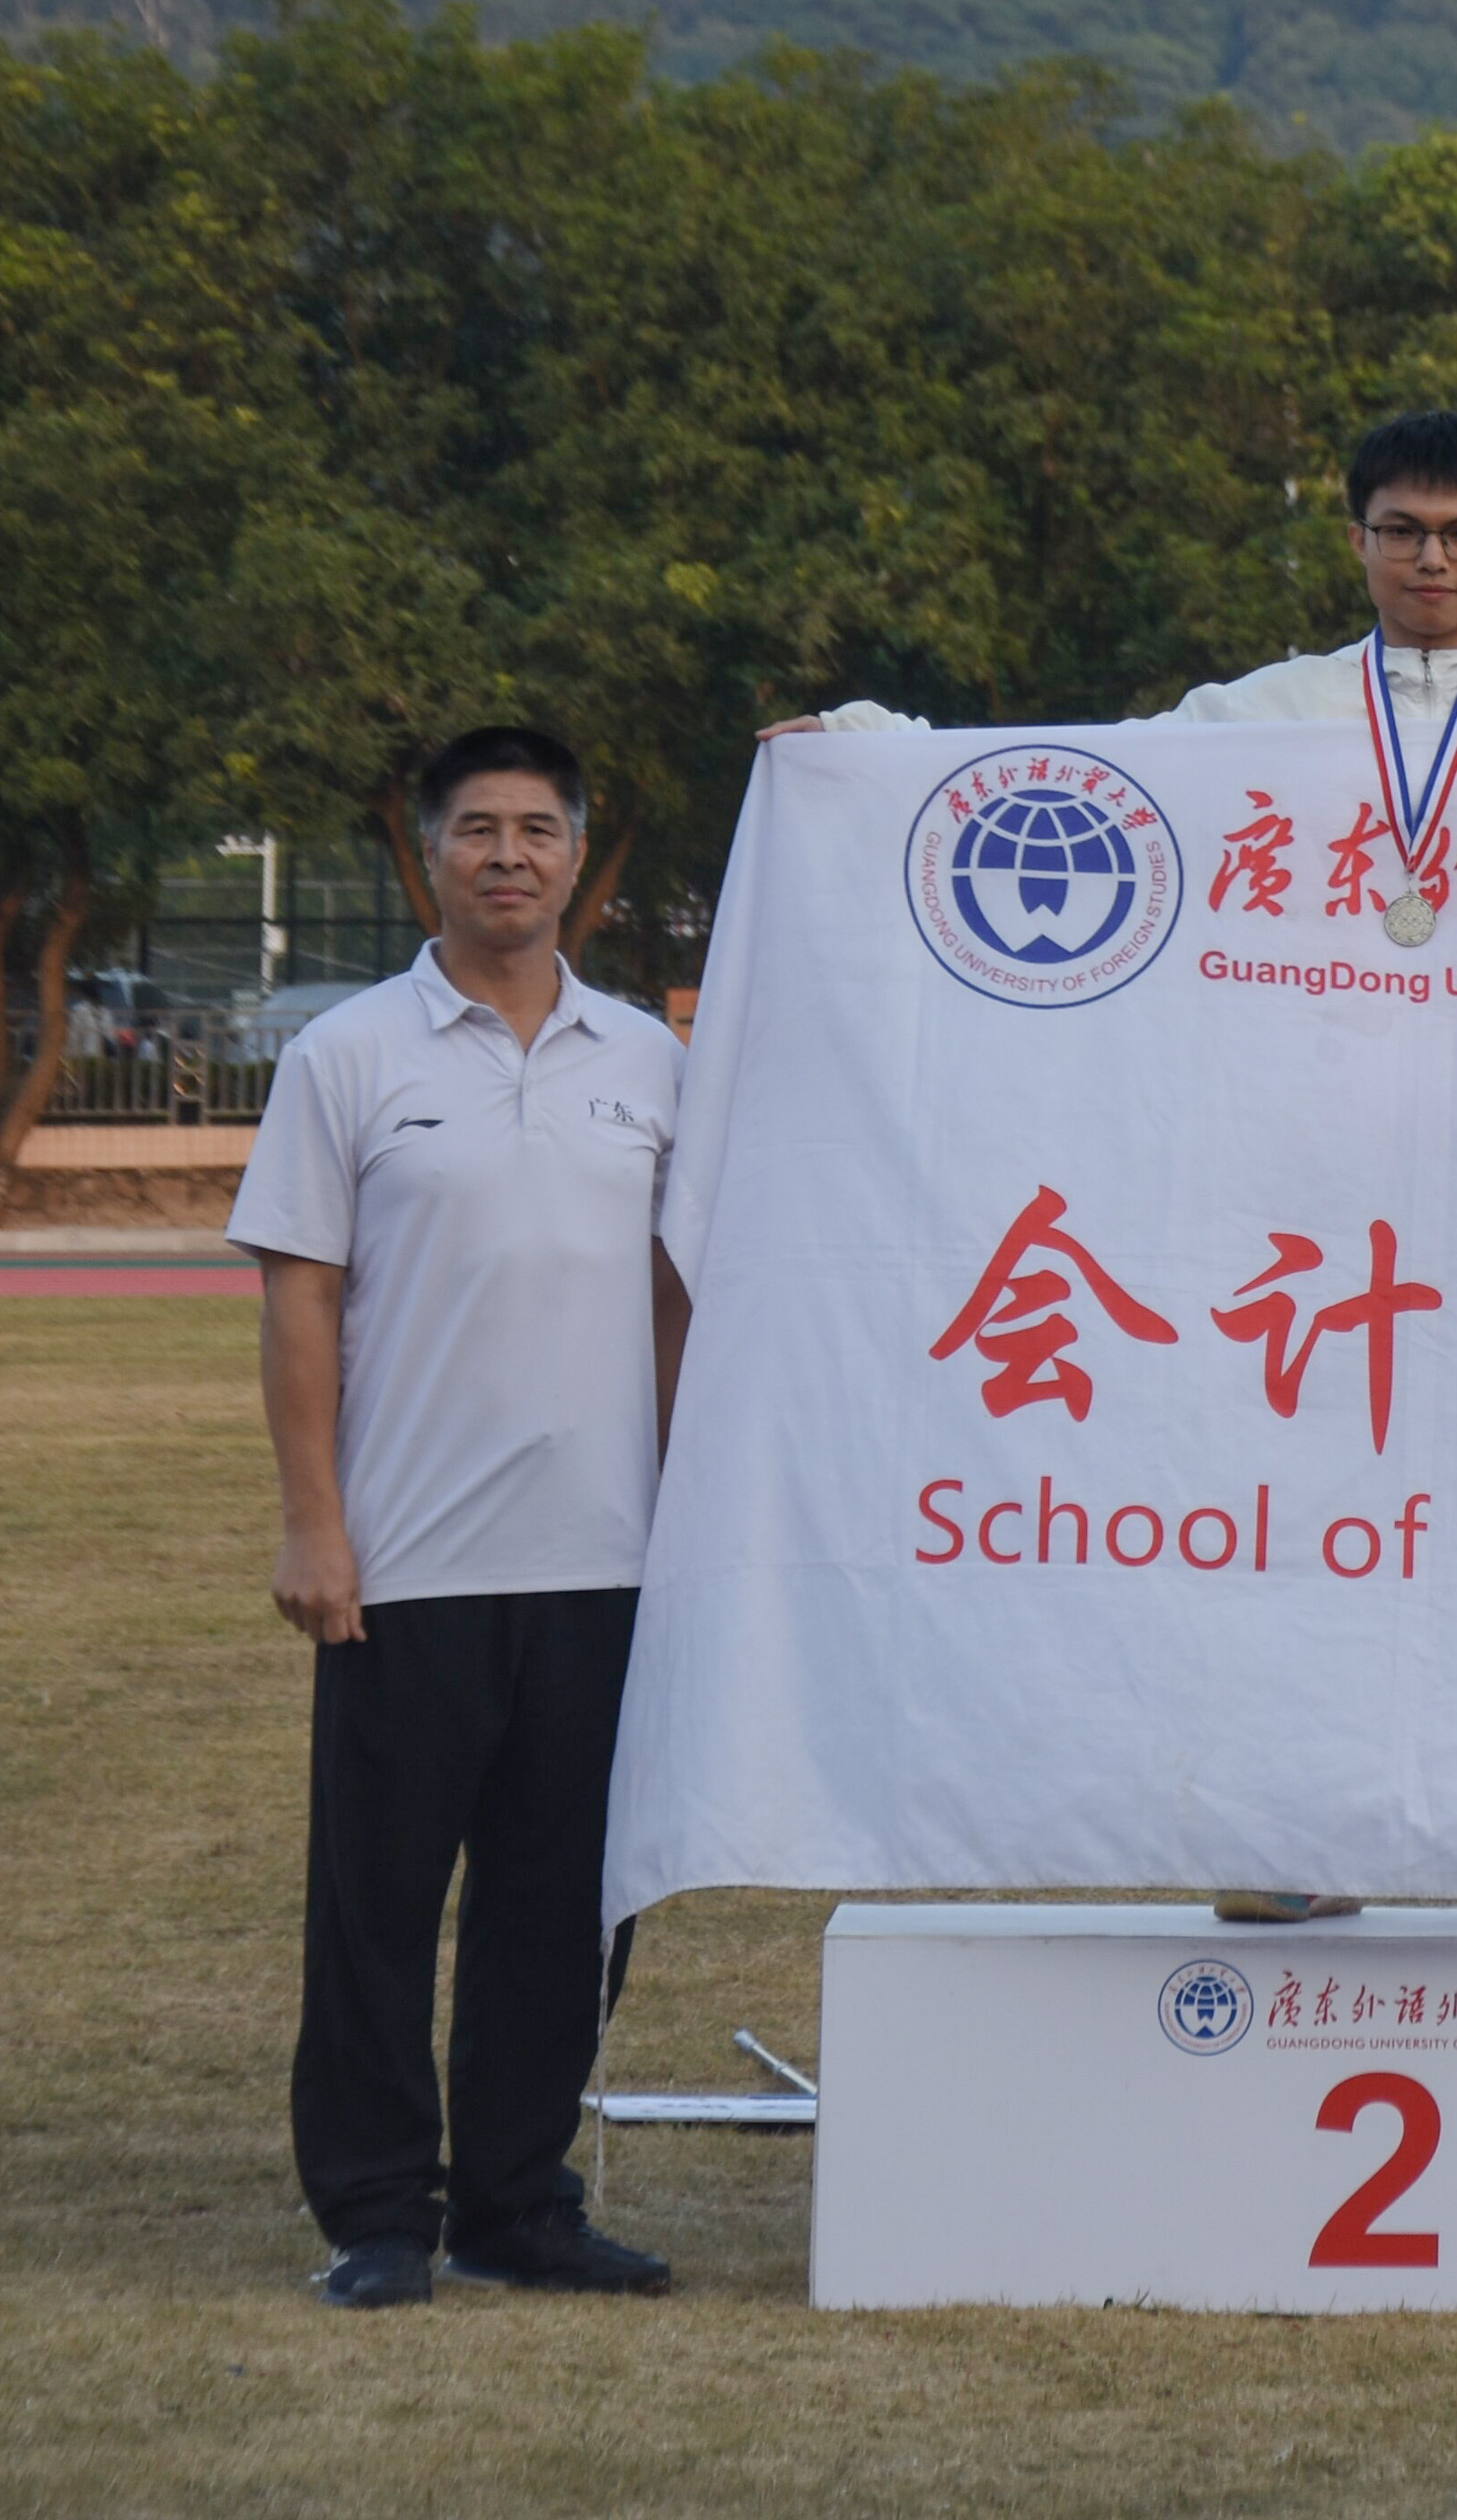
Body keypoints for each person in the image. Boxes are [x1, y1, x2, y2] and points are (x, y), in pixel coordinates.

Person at [776, 409, 1457, 1928]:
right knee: (1301, 1517)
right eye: (1402, 530)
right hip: (1315, 1201)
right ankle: (1292, 1834)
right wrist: (879, 755)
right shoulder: (1261, 716)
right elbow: (1080, 780)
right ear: (1356, 539)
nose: (1431, 560)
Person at [237, 728, 693, 2307]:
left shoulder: (649, 1062)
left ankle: (516, 2202)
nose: (509, 855)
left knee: (561, 1910)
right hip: (409, 1562)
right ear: (428, 852)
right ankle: (377, 2213)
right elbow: (303, 1301)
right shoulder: (349, 1054)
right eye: (479, 829)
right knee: (377, 1905)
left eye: (538, 829)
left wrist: (690, 1515)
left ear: (577, 857)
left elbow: (675, 1303)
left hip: (606, 1558)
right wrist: (315, 1523)